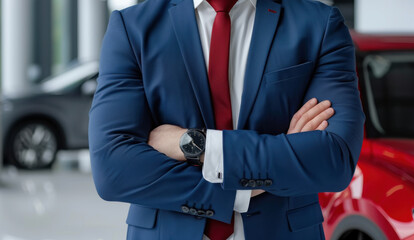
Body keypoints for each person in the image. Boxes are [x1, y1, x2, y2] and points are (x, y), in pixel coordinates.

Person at [88, 0, 365, 238]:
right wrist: (244, 188)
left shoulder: (319, 24)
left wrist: (192, 144)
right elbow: (113, 167)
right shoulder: (132, 28)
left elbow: (334, 159)